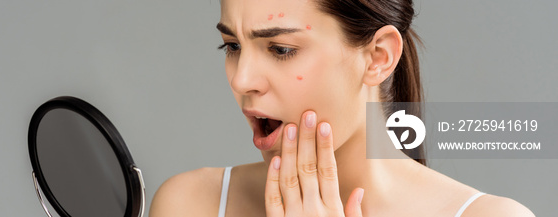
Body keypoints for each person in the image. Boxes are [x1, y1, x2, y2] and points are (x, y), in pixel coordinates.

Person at [150, 0, 534, 216]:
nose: (241, 79)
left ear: (377, 57)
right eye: (232, 46)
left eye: (281, 49)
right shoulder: (189, 203)